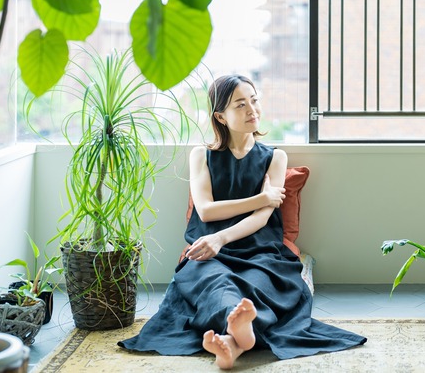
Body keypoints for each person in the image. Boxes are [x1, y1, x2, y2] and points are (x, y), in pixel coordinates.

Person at [119, 75, 366, 369]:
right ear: (220, 116)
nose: (253, 109)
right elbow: (207, 211)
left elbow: (262, 221)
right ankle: (238, 334)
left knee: (257, 285)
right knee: (218, 284)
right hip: (208, 252)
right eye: (240, 104)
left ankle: (234, 344)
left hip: (261, 251)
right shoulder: (202, 155)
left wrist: (223, 236)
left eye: (254, 100)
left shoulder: (275, 157)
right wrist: (261, 199)